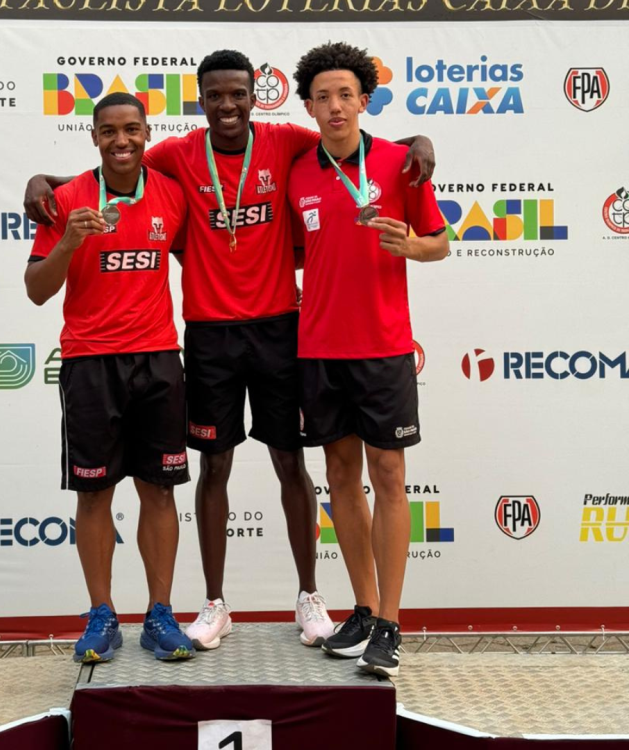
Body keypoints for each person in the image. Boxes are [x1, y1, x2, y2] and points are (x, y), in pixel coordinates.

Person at [24, 50, 436, 652]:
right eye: (214, 95)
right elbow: (116, 164)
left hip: (280, 327)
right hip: (209, 333)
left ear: (253, 96)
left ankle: (309, 597)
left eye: (237, 93)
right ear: (199, 100)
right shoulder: (174, 156)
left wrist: (420, 138)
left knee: (290, 462)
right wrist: (44, 183)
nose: (226, 105)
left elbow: (350, 139)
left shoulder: (287, 141)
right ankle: (215, 603)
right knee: (213, 466)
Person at [287, 42, 449, 677]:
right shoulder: (299, 170)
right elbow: (301, 252)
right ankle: (362, 607)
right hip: (318, 347)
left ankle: (391, 624)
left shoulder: (401, 163)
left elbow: (440, 243)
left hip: (383, 346)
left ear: (365, 100)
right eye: (322, 96)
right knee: (341, 480)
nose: (334, 106)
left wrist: (410, 244)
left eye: (345, 95)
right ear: (308, 105)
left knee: (388, 475)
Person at [25, 92, 195, 663]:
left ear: (148, 133)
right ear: (93, 137)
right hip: (90, 363)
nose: (121, 141)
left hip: (158, 359)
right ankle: (101, 615)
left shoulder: (171, 192)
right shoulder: (66, 200)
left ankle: (160, 613)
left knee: (160, 490)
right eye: (109, 132)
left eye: (132, 130)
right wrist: (70, 240)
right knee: (95, 493)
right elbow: (37, 290)